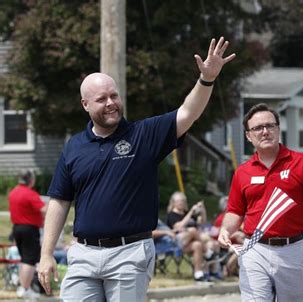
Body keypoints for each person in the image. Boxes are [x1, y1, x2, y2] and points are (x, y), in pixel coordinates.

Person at [38, 37, 236, 300]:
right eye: (101, 99)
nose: (111, 103)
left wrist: (207, 79)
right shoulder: (74, 147)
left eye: (114, 95)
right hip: (83, 254)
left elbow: (188, 113)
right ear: (85, 105)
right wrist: (46, 254)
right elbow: (59, 201)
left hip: (128, 253)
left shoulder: (143, 135)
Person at [217, 103, 303, 301]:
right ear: (248, 136)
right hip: (255, 248)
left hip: (293, 249)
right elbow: (235, 211)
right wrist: (226, 229)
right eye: (257, 128)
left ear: (278, 129)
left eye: (270, 126)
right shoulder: (243, 172)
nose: (265, 132)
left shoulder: (300, 162)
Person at [8, 169, 47, 298]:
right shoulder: (30, 194)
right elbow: (44, 209)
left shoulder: (13, 192)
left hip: (17, 228)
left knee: (24, 259)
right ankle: (25, 289)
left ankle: (23, 287)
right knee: (29, 261)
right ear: (31, 180)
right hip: (29, 229)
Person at [166, 191, 220, 281]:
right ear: (173, 202)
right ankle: (207, 253)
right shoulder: (172, 215)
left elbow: (202, 222)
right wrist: (191, 212)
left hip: (193, 242)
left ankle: (199, 273)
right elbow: (178, 227)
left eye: (183, 200)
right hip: (178, 242)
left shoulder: (186, 213)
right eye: (179, 201)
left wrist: (203, 211)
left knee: (199, 245)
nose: (182, 203)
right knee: (193, 230)